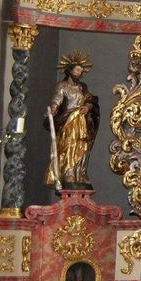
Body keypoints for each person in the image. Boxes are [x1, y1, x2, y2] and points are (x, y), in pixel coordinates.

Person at [46, 51, 100, 188]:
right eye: (77, 70)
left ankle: (80, 173)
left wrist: (87, 107)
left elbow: (90, 99)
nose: (79, 73)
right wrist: (52, 111)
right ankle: (68, 172)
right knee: (69, 146)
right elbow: (56, 101)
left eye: (81, 71)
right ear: (70, 70)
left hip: (82, 121)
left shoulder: (82, 87)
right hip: (69, 120)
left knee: (82, 146)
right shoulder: (62, 86)